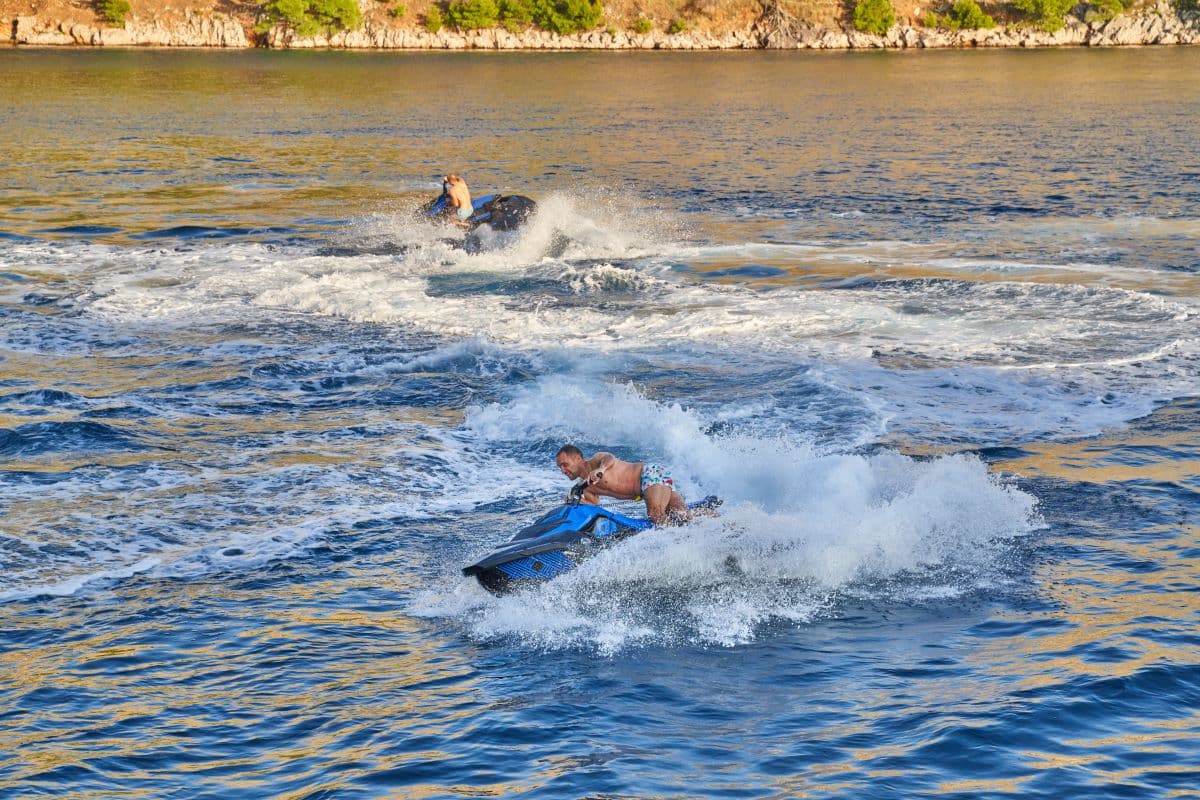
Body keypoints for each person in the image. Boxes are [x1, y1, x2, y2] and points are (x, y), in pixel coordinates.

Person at [555, 444, 689, 526]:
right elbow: (593, 506)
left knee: (655, 514)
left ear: (578, 458)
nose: (563, 470)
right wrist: (573, 501)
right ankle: (708, 515)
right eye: (559, 467)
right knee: (683, 515)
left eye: (565, 465)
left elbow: (610, 459)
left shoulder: (595, 461)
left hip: (649, 473)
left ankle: (677, 543)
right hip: (647, 489)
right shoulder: (586, 486)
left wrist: (601, 470)